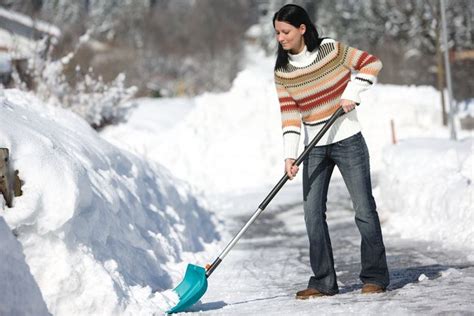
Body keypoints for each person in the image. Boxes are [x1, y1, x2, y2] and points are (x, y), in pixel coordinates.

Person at [272, 4, 390, 299]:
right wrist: (289, 155)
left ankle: (375, 276)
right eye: (277, 33)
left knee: (363, 209)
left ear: (302, 28)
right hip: (314, 147)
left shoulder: (330, 50)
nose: (280, 38)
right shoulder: (283, 71)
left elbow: (371, 63)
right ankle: (323, 281)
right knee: (312, 214)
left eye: (285, 31)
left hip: (348, 138)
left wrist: (352, 93)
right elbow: (289, 115)